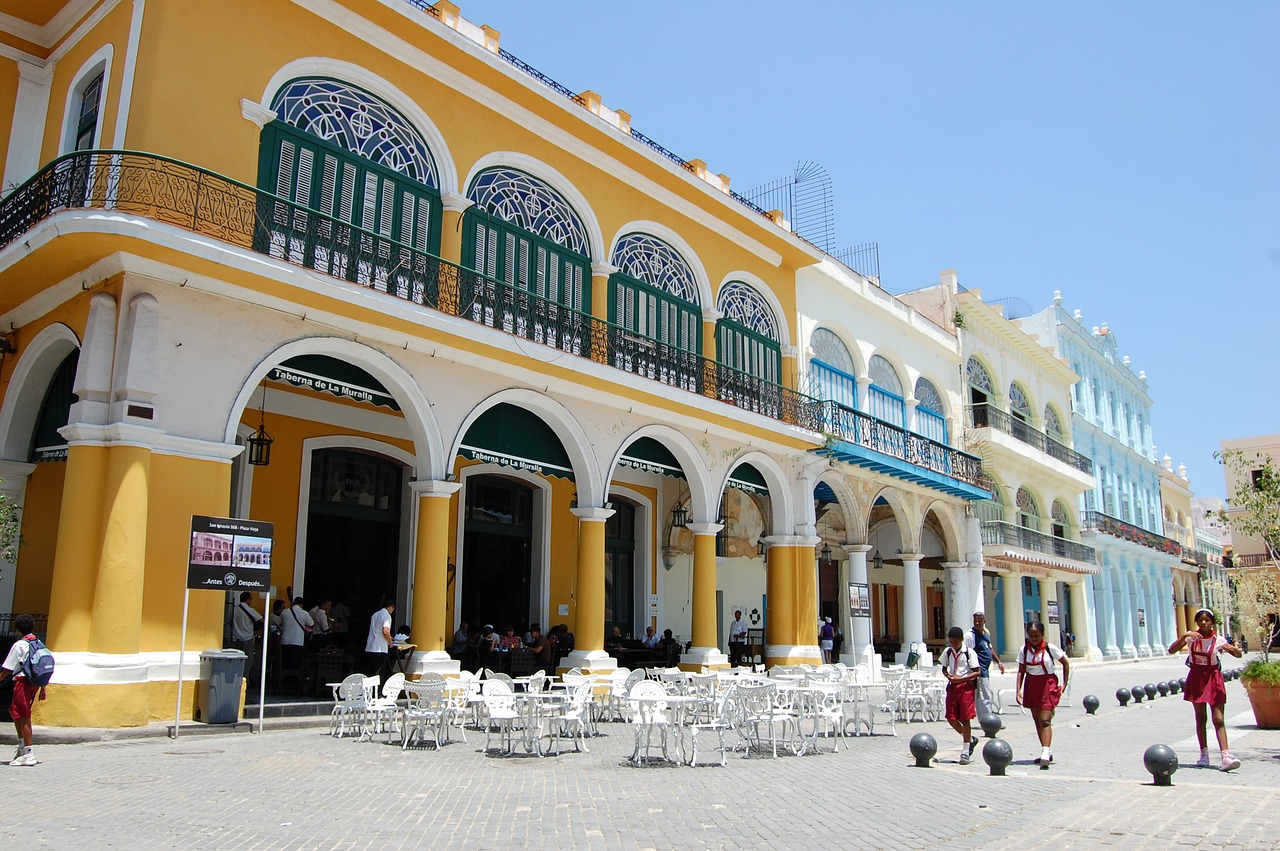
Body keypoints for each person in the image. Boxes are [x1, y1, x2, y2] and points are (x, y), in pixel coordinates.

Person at [1169, 607, 1243, 771]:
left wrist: (1232, 649)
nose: (1204, 623)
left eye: (1207, 620)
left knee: (1218, 718)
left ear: (1212, 623)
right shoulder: (1191, 638)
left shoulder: (1218, 640)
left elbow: (1238, 655)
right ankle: (1204, 754)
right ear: (1196, 622)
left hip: (1213, 678)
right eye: (1201, 620)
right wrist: (1184, 636)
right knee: (1201, 718)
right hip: (1196, 678)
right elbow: (1172, 650)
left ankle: (1225, 756)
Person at [1016, 620, 1069, 768]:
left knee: (1045, 719)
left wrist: (1064, 683)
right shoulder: (1024, 650)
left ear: (1043, 634)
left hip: (1047, 684)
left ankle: (1045, 752)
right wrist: (1018, 690)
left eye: (1037, 635)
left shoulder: (1050, 648)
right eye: (1031, 635)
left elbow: (1065, 663)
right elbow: (1021, 671)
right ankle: (1047, 750)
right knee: (1037, 720)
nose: (1034, 638)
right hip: (1032, 685)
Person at [0, 614, 47, 766]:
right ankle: (22, 748)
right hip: (34, 683)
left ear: (18, 629)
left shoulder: (19, 645)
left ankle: (28, 753)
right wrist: (43, 687)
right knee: (15, 712)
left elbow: (7, 669)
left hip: (22, 681)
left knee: (23, 715)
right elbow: (41, 666)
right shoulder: (38, 642)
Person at [940, 626, 981, 764]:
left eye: (956, 642)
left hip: (966, 687)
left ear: (962, 640)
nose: (954, 644)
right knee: (951, 718)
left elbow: (977, 672)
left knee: (965, 718)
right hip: (953, 687)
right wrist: (948, 676)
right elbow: (943, 668)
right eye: (951, 642)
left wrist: (961, 679)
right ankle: (969, 739)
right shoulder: (948, 652)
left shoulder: (969, 653)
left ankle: (965, 751)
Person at [964, 611, 1005, 713]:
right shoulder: (970, 636)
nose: (977, 623)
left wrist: (999, 662)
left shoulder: (986, 633)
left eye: (979, 621)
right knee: (983, 696)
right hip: (979, 671)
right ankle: (987, 720)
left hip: (985, 670)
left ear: (984, 621)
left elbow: (990, 649)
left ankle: (987, 717)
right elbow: (966, 654)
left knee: (984, 695)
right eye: (975, 621)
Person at [230, 592, 263, 680]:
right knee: (247, 662)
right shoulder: (250, 610)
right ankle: (245, 680)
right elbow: (261, 620)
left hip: (235, 638)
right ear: (248, 599)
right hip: (247, 638)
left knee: (235, 661)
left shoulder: (234, 609)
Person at [364, 597, 396, 678]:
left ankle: (370, 690)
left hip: (371, 647)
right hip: (380, 648)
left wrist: (389, 637)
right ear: (390, 607)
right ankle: (377, 690)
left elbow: (377, 630)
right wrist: (390, 642)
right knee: (378, 674)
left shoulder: (375, 615)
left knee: (371, 673)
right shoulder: (386, 616)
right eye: (392, 609)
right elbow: (385, 631)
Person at [280, 597, 314, 670]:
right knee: (295, 664)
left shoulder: (285, 612)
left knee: (285, 663)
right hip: (297, 640)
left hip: (285, 640)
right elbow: (311, 623)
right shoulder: (304, 613)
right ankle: (293, 680)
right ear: (301, 604)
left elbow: (281, 623)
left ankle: (284, 679)